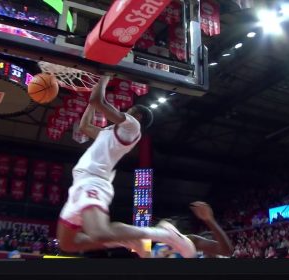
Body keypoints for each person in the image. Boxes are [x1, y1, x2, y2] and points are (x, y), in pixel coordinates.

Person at [57, 76, 196, 258]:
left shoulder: (132, 127)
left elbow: (98, 101)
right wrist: (93, 96)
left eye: (129, 110)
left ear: (137, 116)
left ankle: (162, 234)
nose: (124, 111)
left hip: (94, 180)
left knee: (98, 233)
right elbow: (85, 126)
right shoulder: (109, 132)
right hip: (79, 185)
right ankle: (122, 238)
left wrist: (104, 76)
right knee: (68, 244)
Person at [152, 201, 233, 258]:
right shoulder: (155, 246)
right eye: (162, 221)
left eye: (169, 221)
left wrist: (209, 220)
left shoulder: (190, 240)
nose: (165, 224)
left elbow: (227, 251)